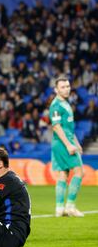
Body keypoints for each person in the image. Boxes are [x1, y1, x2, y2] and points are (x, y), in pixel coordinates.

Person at [49, 76, 84, 217]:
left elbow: (68, 128)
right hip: (63, 144)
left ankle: (59, 209)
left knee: (63, 174)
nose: (66, 89)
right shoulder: (56, 105)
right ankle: (70, 206)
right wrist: (69, 145)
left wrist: (76, 143)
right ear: (56, 89)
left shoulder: (65, 103)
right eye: (63, 87)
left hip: (64, 142)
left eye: (68, 86)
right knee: (79, 172)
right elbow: (56, 127)